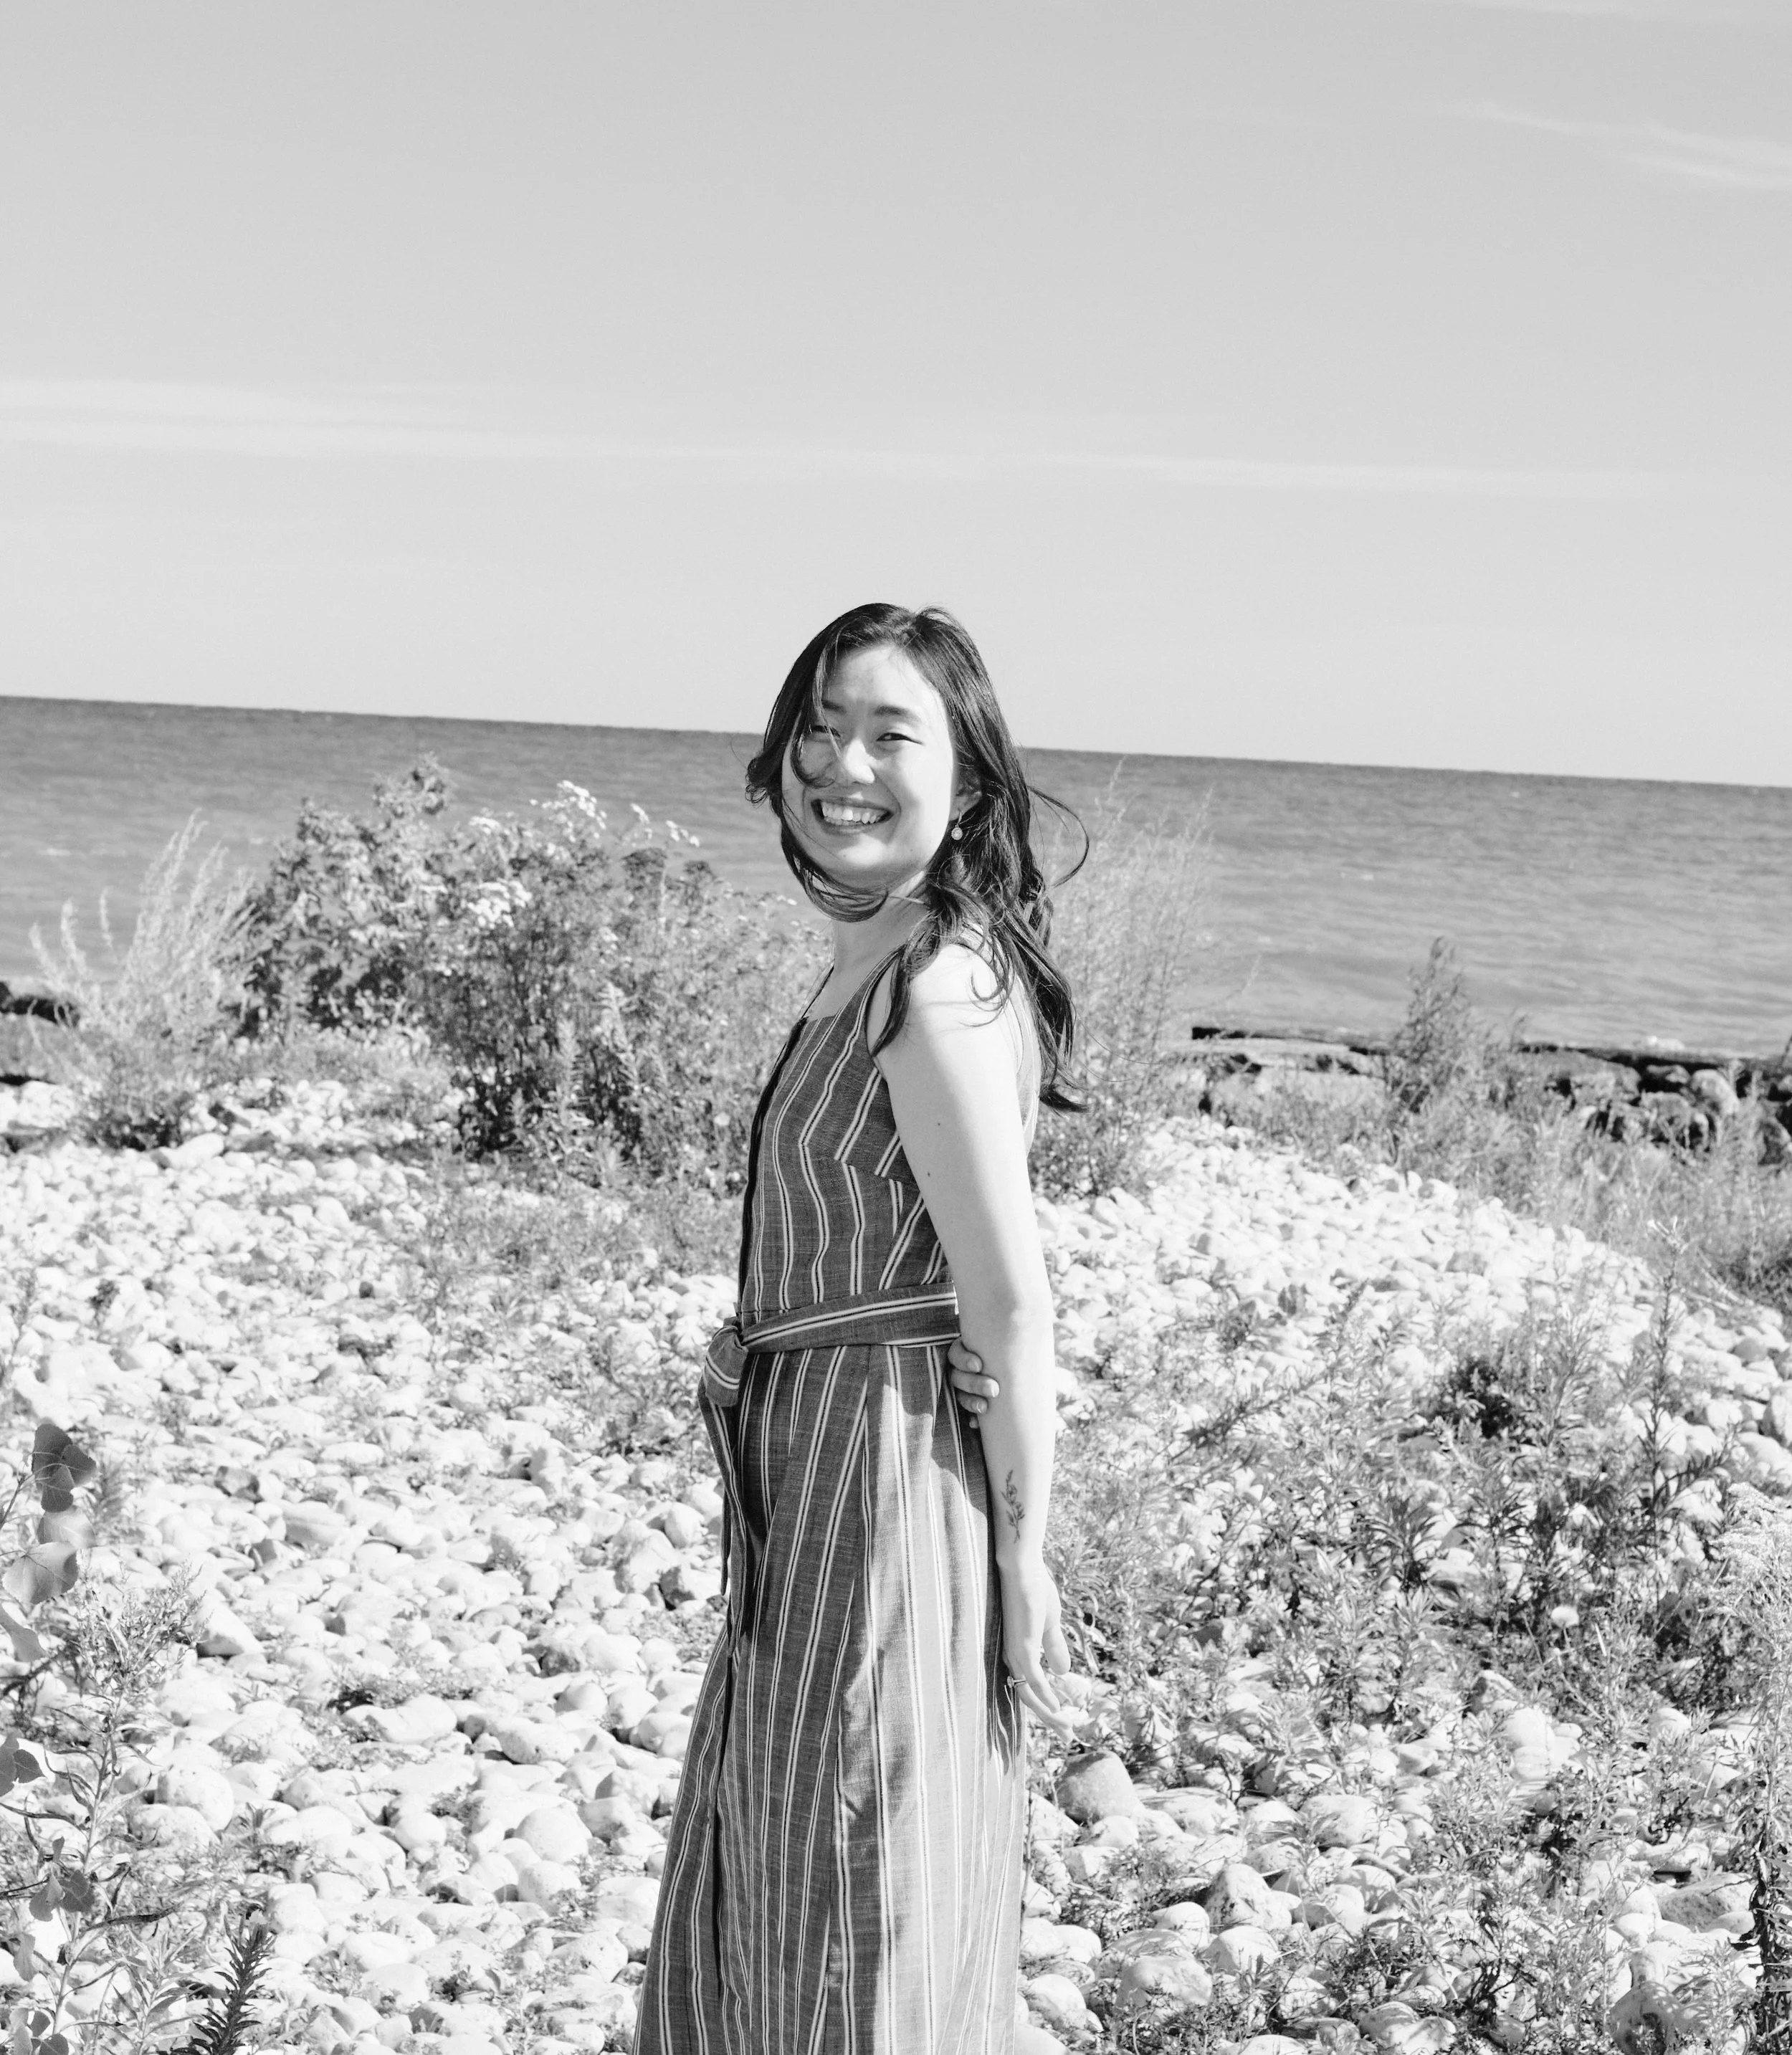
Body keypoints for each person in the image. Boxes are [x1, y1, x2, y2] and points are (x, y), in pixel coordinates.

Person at [636, 603, 1081, 2054]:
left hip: (878, 1482)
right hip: (819, 1458)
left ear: (968, 781)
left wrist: (1021, 1553)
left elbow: (1008, 1295)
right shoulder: (882, 958)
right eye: (821, 724)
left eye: (891, 732)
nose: (843, 760)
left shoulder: (935, 984)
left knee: (857, 1866)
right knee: (798, 1846)